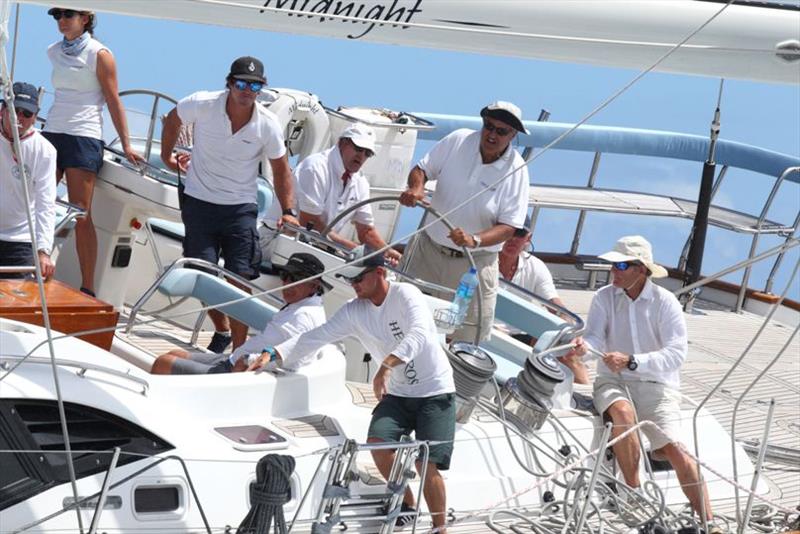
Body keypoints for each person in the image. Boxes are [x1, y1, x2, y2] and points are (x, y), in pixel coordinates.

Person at [250, 250, 456, 532]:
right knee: (378, 443)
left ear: (380, 273)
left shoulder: (406, 294)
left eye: (358, 278)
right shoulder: (353, 310)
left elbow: (419, 333)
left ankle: (439, 527)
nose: (354, 285)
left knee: (426, 463)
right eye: (350, 280)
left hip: (435, 390)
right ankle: (408, 504)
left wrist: (386, 366)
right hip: (398, 393)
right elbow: (316, 336)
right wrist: (273, 353)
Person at [569, 236, 717, 527]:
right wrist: (584, 347)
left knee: (677, 450)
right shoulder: (603, 297)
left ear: (641, 269)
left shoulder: (666, 302)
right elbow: (596, 336)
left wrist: (633, 360)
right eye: (613, 265)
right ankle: (633, 494)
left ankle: (710, 524)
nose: (614, 271)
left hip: (657, 385)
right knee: (622, 412)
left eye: (621, 265)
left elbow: (676, 355)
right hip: (613, 380)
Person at [160, 56, 298, 353]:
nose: (248, 90)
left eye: (255, 85)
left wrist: (288, 212)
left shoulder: (268, 124)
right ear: (229, 83)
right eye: (242, 83)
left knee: (240, 279)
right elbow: (173, 118)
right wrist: (166, 157)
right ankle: (222, 331)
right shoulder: (203, 103)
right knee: (202, 276)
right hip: (199, 202)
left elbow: (281, 168)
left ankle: (238, 351)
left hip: (240, 208)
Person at [399, 101, 530, 342]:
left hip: (473, 266)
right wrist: (417, 187)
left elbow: (510, 227)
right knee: (402, 322)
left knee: (467, 338)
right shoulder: (458, 140)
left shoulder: (518, 170)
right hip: (427, 253)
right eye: (488, 126)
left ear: (513, 135)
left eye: (501, 131)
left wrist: (474, 240)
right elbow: (422, 169)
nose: (492, 134)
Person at [42, 7, 143, 296]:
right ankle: (30, 269)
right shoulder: (53, 51)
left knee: (80, 214)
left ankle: (87, 288)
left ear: (85, 18)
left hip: (84, 136)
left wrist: (125, 144)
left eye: (68, 15)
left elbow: (113, 100)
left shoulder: (100, 54)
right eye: (57, 15)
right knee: (40, 205)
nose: (62, 21)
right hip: (52, 131)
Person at [151, 252, 330, 374]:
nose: (288, 283)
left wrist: (247, 361)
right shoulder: (301, 305)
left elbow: (293, 360)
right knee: (175, 353)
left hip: (240, 370)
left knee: (163, 363)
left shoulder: (304, 317)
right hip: (234, 359)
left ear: (314, 286)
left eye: (296, 278)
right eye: (286, 276)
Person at [261, 123, 401, 264]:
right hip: (276, 239)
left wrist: (387, 252)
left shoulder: (361, 182)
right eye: (358, 149)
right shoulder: (315, 167)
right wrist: (355, 250)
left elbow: (366, 231)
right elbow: (309, 222)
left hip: (315, 246)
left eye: (368, 153)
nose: (362, 156)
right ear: (342, 143)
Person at [498, 221, 589, 384]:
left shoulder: (535, 266)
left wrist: (571, 334)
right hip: (484, 329)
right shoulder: (483, 260)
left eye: (519, 234)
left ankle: (587, 396)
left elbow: (556, 306)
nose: (512, 239)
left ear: (528, 238)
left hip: (523, 335)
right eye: (507, 232)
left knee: (566, 346)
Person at [0, 82, 57, 280]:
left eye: (27, 113)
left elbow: (46, 204)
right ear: (3, 110)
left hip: (21, 241)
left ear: (35, 117)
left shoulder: (45, 151)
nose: (20, 118)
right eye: (16, 111)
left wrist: (43, 251)